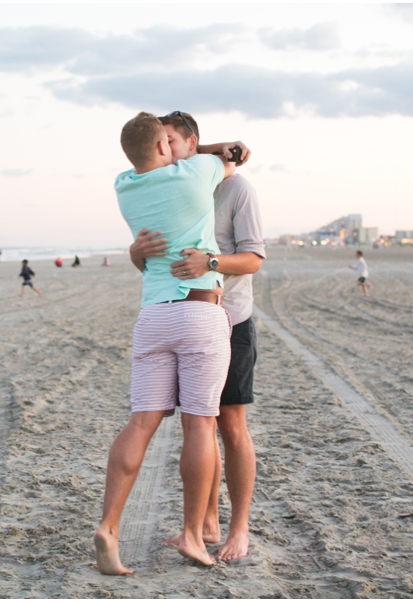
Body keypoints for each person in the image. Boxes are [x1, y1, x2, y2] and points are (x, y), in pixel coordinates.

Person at [95, 112, 238, 575]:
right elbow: (233, 153)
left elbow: (146, 159)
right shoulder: (195, 172)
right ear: (165, 146)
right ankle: (195, 535)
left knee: (140, 424)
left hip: (153, 315)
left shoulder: (123, 186)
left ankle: (108, 528)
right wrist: (202, 149)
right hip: (199, 312)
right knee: (200, 426)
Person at [131, 110, 260, 562]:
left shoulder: (235, 188)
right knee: (198, 422)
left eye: (168, 141)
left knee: (231, 426)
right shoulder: (166, 187)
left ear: (191, 142)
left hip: (232, 318)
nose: (160, 151)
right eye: (157, 142)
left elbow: (254, 259)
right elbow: (149, 265)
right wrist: (135, 251)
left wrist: (210, 262)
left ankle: (238, 528)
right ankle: (206, 523)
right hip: (191, 321)